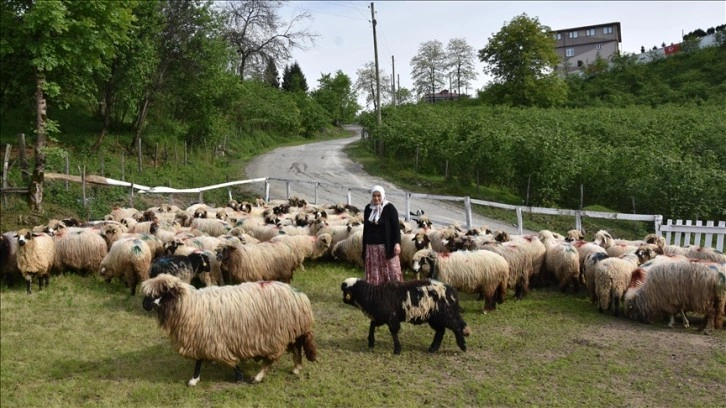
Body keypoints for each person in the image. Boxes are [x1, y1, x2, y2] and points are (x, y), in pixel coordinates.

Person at [361, 185, 402, 284]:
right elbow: (365, 229)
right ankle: (375, 293)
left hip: (386, 247)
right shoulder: (368, 208)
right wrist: (364, 247)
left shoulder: (389, 208)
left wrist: (397, 243)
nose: (376, 198)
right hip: (371, 248)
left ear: (383, 195)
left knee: (391, 270)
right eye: (374, 195)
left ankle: (395, 292)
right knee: (375, 272)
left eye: (378, 195)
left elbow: (396, 227)